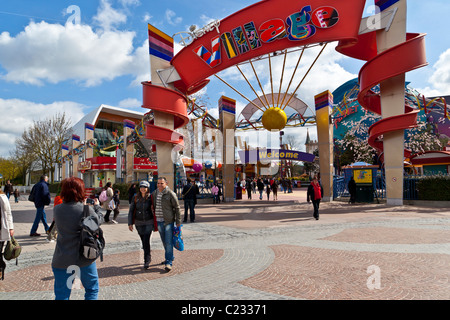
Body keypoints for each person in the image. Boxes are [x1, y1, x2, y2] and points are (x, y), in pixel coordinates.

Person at [51, 177, 103, 300]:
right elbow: (98, 221)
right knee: (91, 289)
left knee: (62, 295)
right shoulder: (86, 209)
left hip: (62, 257)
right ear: (80, 191)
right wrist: (96, 207)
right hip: (83, 257)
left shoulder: (57, 209)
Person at [151, 177, 181, 272]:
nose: (159, 185)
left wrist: (178, 221)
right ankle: (170, 256)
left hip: (168, 221)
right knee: (164, 242)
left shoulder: (170, 194)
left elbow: (177, 208)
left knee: (168, 242)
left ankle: (168, 262)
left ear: (166, 183)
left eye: (162, 183)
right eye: (158, 183)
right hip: (159, 221)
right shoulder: (155, 193)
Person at [128, 181, 156, 269]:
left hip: (149, 221)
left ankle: (147, 260)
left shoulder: (151, 197)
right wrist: (130, 223)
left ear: (148, 188)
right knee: (143, 240)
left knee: (146, 240)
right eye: (141, 187)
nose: (143, 189)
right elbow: (131, 211)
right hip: (138, 222)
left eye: (145, 187)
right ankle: (147, 255)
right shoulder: (135, 198)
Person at [0, 188, 14, 261]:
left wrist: (11, 227)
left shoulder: (3, 197)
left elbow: (8, 213)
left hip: (2, 228)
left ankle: (1, 269)